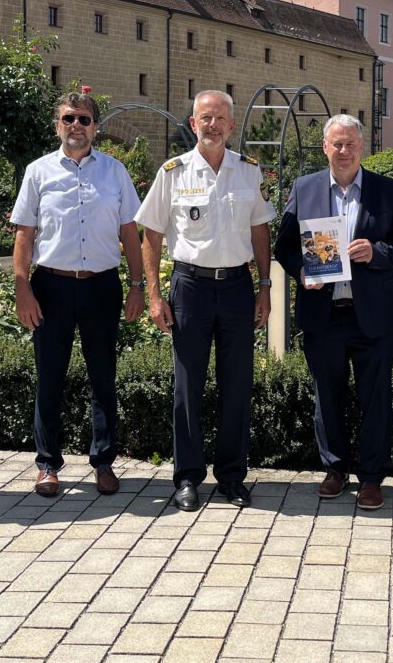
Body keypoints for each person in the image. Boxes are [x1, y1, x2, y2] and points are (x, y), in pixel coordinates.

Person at [136, 90, 274, 512]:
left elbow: (260, 233)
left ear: (232, 126)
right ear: (193, 124)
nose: (212, 125)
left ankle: (232, 476)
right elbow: (151, 236)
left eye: (220, 119)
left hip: (236, 287)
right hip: (189, 287)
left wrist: (265, 286)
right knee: (187, 386)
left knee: (237, 385)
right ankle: (187, 478)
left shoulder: (249, 173)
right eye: (204, 118)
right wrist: (155, 294)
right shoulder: (173, 172)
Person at [274, 114, 393, 511]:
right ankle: (335, 469)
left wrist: (378, 252)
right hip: (323, 312)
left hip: (370, 313)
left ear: (362, 148)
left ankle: (372, 478)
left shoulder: (388, 191)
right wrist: (302, 270)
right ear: (325, 148)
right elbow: (284, 245)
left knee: (375, 398)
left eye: (350, 144)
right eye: (336, 144)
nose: (343, 151)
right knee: (328, 396)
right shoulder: (304, 189)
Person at [11, 92, 143, 499]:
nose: (76, 126)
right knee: (49, 378)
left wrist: (137, 285)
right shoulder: (37, 172)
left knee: (103, 378)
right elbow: (24, 234)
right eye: (69, 118)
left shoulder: (115, 172)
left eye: (84, 119)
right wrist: (22, 288)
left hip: (101, 286)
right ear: (57, 125)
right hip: (50, 286)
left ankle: (103, 463)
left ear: (95, 127)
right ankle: (48, 465)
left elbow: (130, 234)